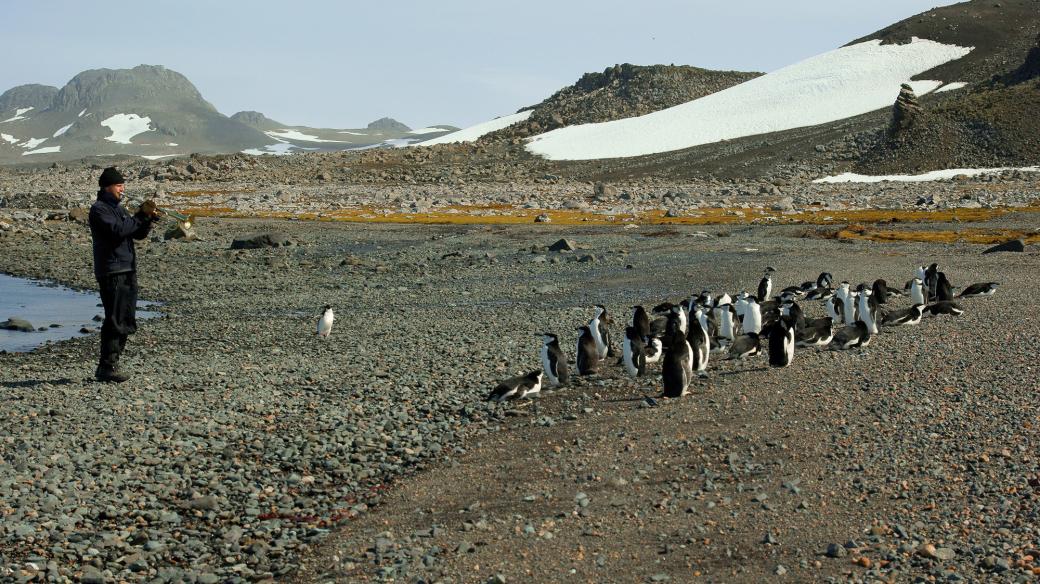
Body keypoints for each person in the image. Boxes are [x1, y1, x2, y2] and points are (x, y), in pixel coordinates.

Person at [88, 167, 161, 382]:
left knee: (126, 318)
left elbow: (135, 233)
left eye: (122, 185)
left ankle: (112, 363)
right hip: (111, 270)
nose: (123, 189)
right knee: (115, 318)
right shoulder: (99, 210)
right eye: (119, 185)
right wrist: (139, 215)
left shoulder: (118, 209)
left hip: (127, 268)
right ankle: (107, 366)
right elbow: (118, 230)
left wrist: (146, 220)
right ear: (107, 187)